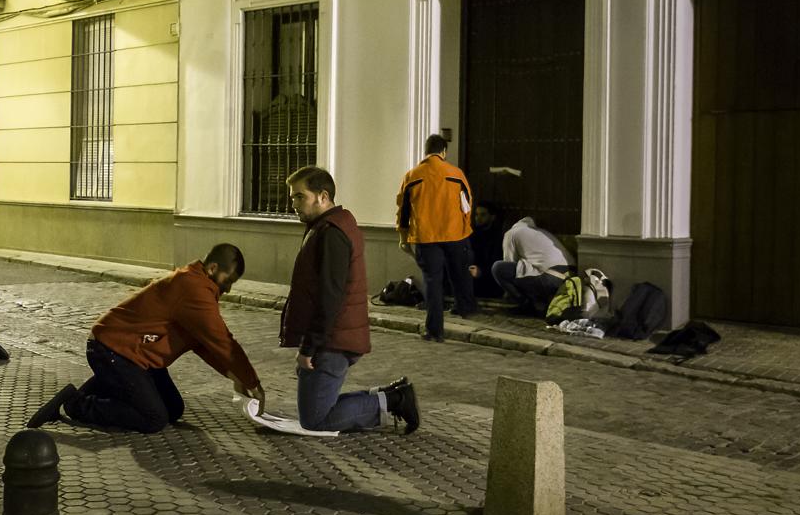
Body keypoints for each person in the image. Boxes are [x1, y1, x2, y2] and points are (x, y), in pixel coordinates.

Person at [27, 244, 263, 434]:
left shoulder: (197, 285)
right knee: (153, 418)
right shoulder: (193, 289)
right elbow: (222, 340)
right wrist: (251, 381)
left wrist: (235, 376)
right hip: (113, 350)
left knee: (173, 409)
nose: (229, 289)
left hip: (138, 355)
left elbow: (204, 344)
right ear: (212, 268)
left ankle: (102, 385)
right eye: (229, 280)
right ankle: (76, 404)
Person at [284, 166, 419, 434]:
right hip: (335, 335)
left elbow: (330, 296)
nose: (294, 204)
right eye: (292, 198)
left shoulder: (331, 232)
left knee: (315, 420)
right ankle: (390, 394)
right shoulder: (329, 226)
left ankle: (394, 400)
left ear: (322, 196)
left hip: (332, 339)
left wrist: (309, 347)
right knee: (317, 409)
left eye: (299, 197)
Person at [396, 134, 478, 341]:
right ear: (443, 152)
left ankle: (435, 331)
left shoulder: (412, 176)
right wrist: (465, 229)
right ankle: (465, 309)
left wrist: (403, 237)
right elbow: (467, 205)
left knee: (432, 282)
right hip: (455, 234)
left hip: (426, 236)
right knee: (460, 273)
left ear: (425, 151)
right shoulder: (456, 174)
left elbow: (403, 211)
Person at [493, 216, 572, 316]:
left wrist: (509, 293)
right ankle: (540, 305)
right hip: (570, 277)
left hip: (551, 278)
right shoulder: (540, 231)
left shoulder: (511, 233)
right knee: (527, 270)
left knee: (498, 268)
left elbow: (509, 261)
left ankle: (527, 305)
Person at [469, 201, 503, 298]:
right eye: (476, 215)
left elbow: (497, 260)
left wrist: (482, 271)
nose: (478, 218)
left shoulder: (497, 237)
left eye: (483, 215)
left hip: (488, 278)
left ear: (492, 217)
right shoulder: (471, 234)